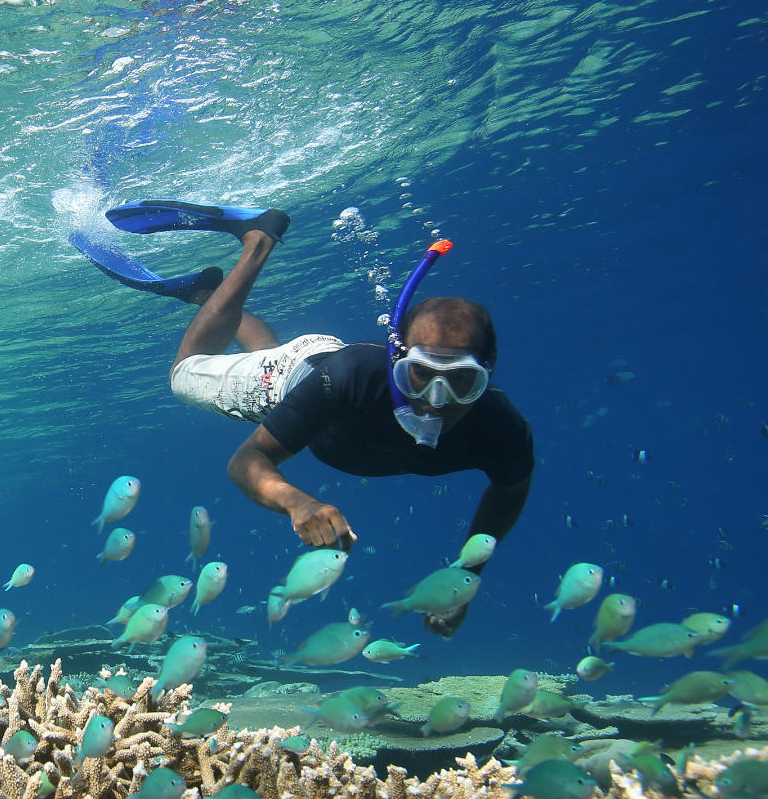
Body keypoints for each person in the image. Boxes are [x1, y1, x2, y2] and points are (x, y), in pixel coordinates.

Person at [78, 201, 532, 636]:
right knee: (183, 374)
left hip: (324, 365)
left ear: (488, 369)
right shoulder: (347, 382)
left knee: (271, 357)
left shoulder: (502, 428)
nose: (435, 401)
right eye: (419, 375)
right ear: (397, 357)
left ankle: (216, 298)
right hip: (294, 376)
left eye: (461, 382)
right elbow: (246, 460)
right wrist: (297, 502)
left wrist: (466, 578)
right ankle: (256, 243)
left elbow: (510, 487)